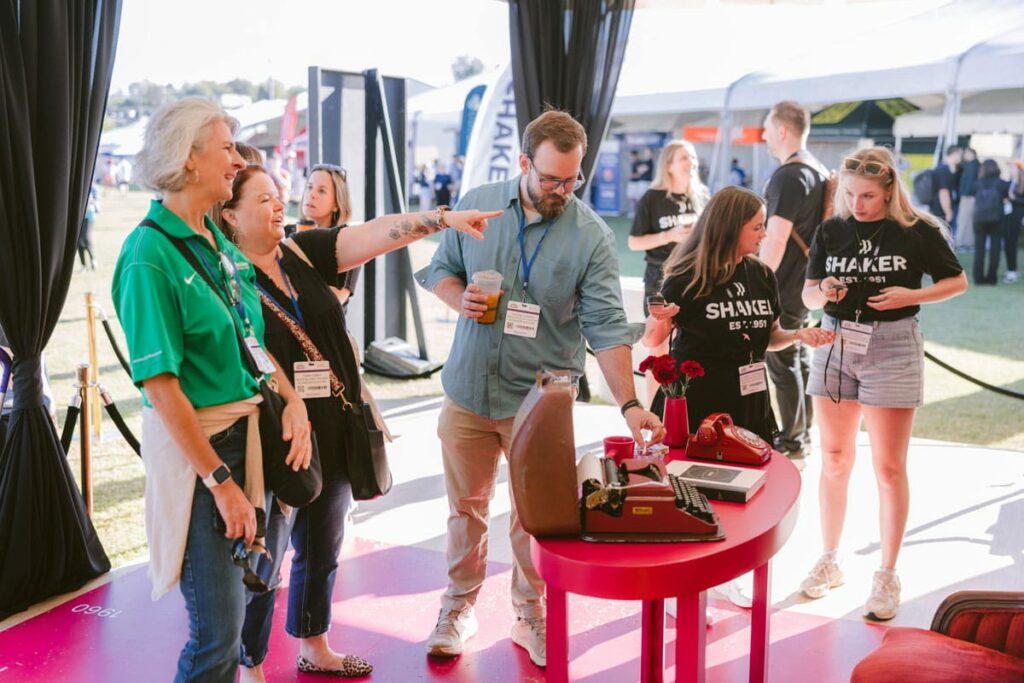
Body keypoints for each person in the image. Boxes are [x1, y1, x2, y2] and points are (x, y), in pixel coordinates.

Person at [217, 165, 499, 682]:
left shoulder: (303, 250)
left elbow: (375, 233)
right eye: (263, 200)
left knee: (322, 548)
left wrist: (443, 219)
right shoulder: (225, 277)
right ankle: (250, 665)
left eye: (279, 196)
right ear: (230, 215)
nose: (280, 205)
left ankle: (314, 643)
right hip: (277, 436)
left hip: (335, 425)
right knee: (268, 556)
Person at [415, 110, 665, 668]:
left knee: (536, 517)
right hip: (469, 391)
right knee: (466, 510)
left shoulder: (591, 236)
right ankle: (458, 607)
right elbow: (439, 269)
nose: (560, 190)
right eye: (550, 178)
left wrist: (629, 404)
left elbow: (604, 327)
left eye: (572, 180)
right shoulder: (478, 204)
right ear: (525, 163)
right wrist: (461, 300)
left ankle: (531, 613)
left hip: (540, 404)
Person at [112, 97, 313, 683]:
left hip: (243, 444)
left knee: (238, 619)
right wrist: (220, 482)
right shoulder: (149, 254)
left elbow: (248, 340)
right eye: (227, 147)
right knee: (217, 638)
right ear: (189, 158)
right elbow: (161, 385)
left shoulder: (217, 245)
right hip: (205, 461)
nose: (238, 160)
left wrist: (291, 397)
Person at [799, 147, 967, 621]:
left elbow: (957, 282)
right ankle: (829, 559)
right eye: (850, 194)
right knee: (833, 459)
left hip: (893, 346)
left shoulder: (919, 229)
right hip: (834, 342)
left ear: (890, 189)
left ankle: (886, 573)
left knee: (889, 468)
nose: (858, 204)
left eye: (869, 195)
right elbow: (808, 291)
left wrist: (913, 295)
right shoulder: (832, 229)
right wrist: (823, 289)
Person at [758, 101, 830, 460]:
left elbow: (775, 238)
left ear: (783, 130)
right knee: (797, 357)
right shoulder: (815, 170)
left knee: (782, 362)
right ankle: (802, 434)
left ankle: (792, 442)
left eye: (768, 127)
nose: (764, 134)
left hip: (782, 284)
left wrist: (757, 280)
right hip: (806, 284)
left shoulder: (787, 175)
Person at [628, 140, 709, 407]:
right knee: (659, 353)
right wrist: (668, 235)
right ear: (669, 165)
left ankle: (685, 412)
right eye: (685, 158)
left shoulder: (701, 196)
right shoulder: (653, 198)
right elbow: (634, 242)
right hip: (660, 282)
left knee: (691, 351)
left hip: (694, 281)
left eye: (694, 158)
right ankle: (654, 414)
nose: (691, 163)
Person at [286, 164, 361, 308]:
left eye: (321, 191)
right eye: (309, 187)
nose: (311, 194)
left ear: (336, 203)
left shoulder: (347, 243)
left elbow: (331, 303)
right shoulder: (285, 233)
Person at [972, 159, 1010, 285]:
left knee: (979, 249)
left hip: (979, 219)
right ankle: (992, 278)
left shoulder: (977, 183)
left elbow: (974, 200)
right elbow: (1007, 199)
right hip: (997, 219)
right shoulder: (1002, 184)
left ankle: (978, 279)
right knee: (995, 249)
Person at [929, 145, 961, 229]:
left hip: (938, 209)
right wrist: (948, 212)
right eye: (959, 154)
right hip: (941, 211)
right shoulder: (943, 170)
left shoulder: (942, 168)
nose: (960, 158)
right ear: (955, 154)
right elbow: (944, 192)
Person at [1002, 160, 1024, 283]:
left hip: (1017, 219)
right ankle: (1011, 269)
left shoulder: (1021, 183)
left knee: (1011, 243)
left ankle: (1012, 271)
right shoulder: (1010, 182)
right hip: (1009, 218)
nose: (1011, 169)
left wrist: (1014, 199)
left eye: (1013, 167)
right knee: (1009, 243)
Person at [956, 147, 979, 250]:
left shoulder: (973, 165)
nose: (964, 156)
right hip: (968, 196)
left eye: (965, 154)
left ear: (971, 154)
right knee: (966, 221)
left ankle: (963, 243)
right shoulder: (973, 165)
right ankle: (966, 243)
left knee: (964, 220)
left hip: (969, 197)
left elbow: (972, 182)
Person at [78, 183, 101, 270]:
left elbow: (97, 201)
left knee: (86, 238)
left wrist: (93, 203)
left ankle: (93, 260)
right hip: (79, 217)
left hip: (89, 215)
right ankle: (83, 265)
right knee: (78, 241)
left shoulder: (93, 187)